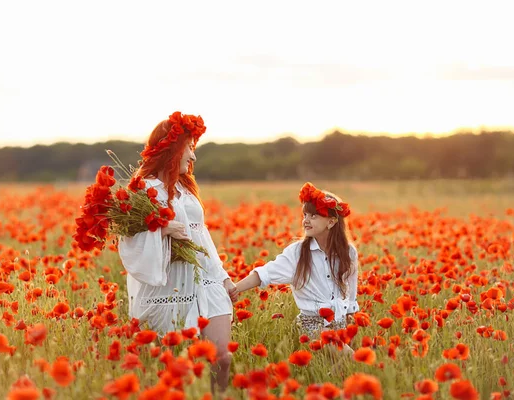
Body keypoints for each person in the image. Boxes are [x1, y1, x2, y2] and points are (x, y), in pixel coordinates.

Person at [117, 111, 237, 391]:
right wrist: (162, 230)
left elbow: (201, 233)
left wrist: (223, 276)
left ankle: (217, 397)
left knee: (223, 357)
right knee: (172, 364)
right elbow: (129, 239)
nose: (193, 158)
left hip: (205, 277)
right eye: (189, 149)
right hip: (171, 282)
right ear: (172, 150)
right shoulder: (144, 189)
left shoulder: (186, 188)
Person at [232, 182, 359, 339]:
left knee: (345, 362)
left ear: (331, 222)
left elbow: (351, 289)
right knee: (349, 357)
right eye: (305, 215)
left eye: (313, 216)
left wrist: (352, 319)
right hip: (313, 326)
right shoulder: (298, 253)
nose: (306, 220)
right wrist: (235, 289)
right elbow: (265, 273)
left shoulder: (348, 252)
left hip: (340, 324)